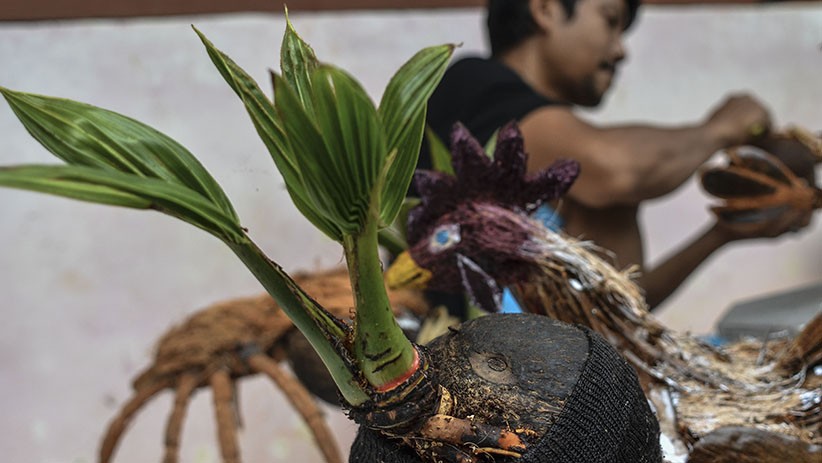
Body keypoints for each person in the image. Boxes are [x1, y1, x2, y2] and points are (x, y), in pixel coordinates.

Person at [418, 0, 810, 311]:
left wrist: (721, 235)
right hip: (461, 390)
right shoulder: (473, 84)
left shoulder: (578, 179)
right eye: (610, 20)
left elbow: (622, 306)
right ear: (546, 9)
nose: (620, 50)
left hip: (548, 394)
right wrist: (721, 128)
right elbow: (621, 170)